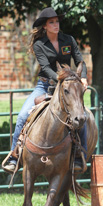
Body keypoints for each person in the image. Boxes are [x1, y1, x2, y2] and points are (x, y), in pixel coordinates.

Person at [3, 7, 88, 173]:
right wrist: (61, 79)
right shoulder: (39, 45)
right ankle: (15, 156)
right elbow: (46, 68)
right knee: (22, 116)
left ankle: (80, 155)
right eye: (52, 22)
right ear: (44, 26)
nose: (56, 25)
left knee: (81, 117)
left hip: (68, 88)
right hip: (44, 86)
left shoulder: (68, 39)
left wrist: (83, 77)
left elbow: (80, 61)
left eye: (57, 21)